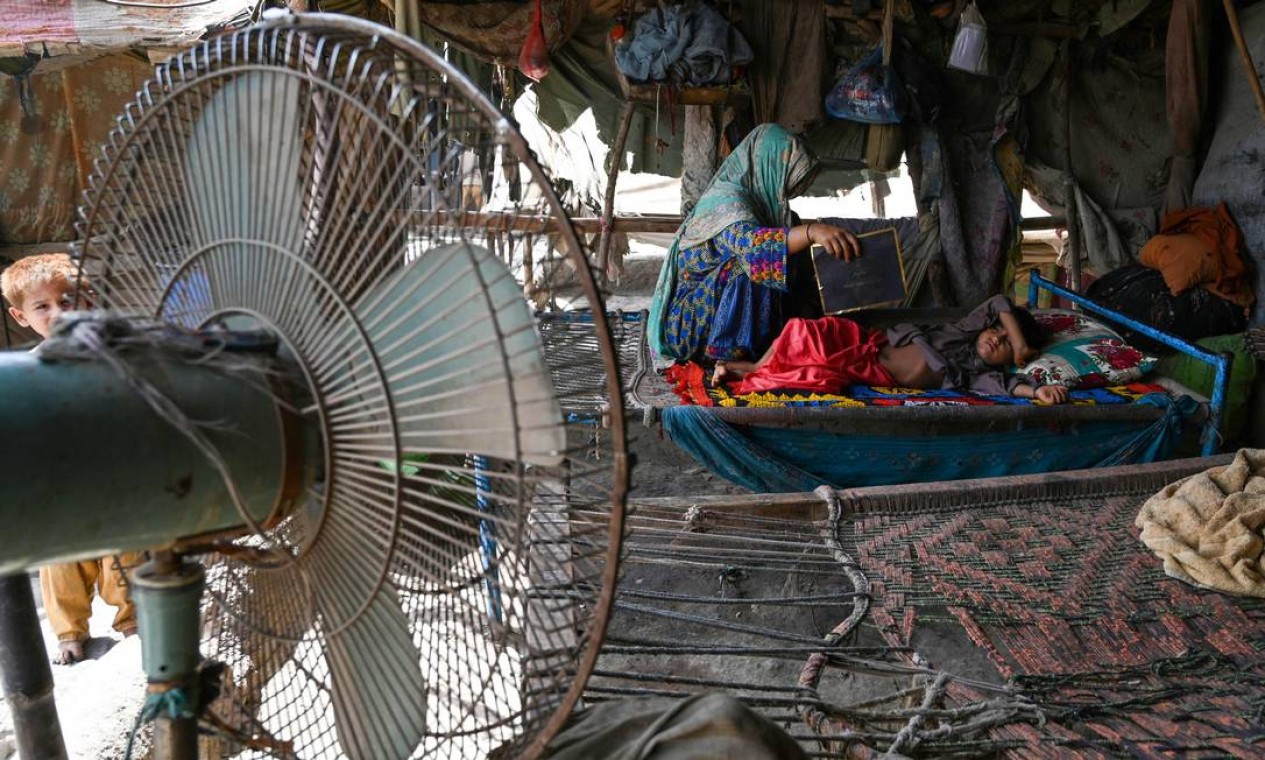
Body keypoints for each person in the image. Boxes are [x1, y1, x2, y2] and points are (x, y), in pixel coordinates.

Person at [2, 253, 141, 664]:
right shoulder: (29, 370)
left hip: (114, 476)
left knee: (126, 550)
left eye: (68, 300)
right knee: (60, 559)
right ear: (20, 316)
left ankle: (131, 620)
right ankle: (70, 632)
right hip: (61, 485)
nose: (58, 312)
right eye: (42, 306)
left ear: (89, 299)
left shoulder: (113, 356)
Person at [648, 123, 863, 363]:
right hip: (687, 328)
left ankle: (771, 347)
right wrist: (812, 232)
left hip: (728, 315)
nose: (788, 192)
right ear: (767, 165)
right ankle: (729, 357)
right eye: (787, 179)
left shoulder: (777, 215)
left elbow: (801, 278)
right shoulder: (726, 204)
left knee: (788, 259)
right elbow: (755, 250)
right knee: (755, 265)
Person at [714, 294, 1070, 404]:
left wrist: (1039, 389)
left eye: (1006, 346)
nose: (997, 339)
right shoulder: (963, 331)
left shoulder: (976, 374)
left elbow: (1008, 387)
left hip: (867, 371)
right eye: (999, 332)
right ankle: (747, 366)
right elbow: (999, 301)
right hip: (864, 343)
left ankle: (738, 370)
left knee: (814, 372)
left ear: (1011, 360)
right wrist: (1020, 342)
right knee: (804, 331)